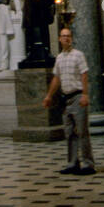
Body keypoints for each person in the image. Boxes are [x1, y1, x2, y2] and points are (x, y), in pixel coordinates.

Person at [42, 26, 95, 176]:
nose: (66, 38)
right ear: (59, 39)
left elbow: (84, 74)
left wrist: (85, 94)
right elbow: (56, 78)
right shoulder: (59, 58)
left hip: (78, 96)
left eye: (69, 36)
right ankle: (72, 163)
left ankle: (88, 164)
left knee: (82, 131)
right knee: (69, 132)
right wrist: (49, 96)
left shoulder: (78, 55)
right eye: (64, 36)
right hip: (66, 99)